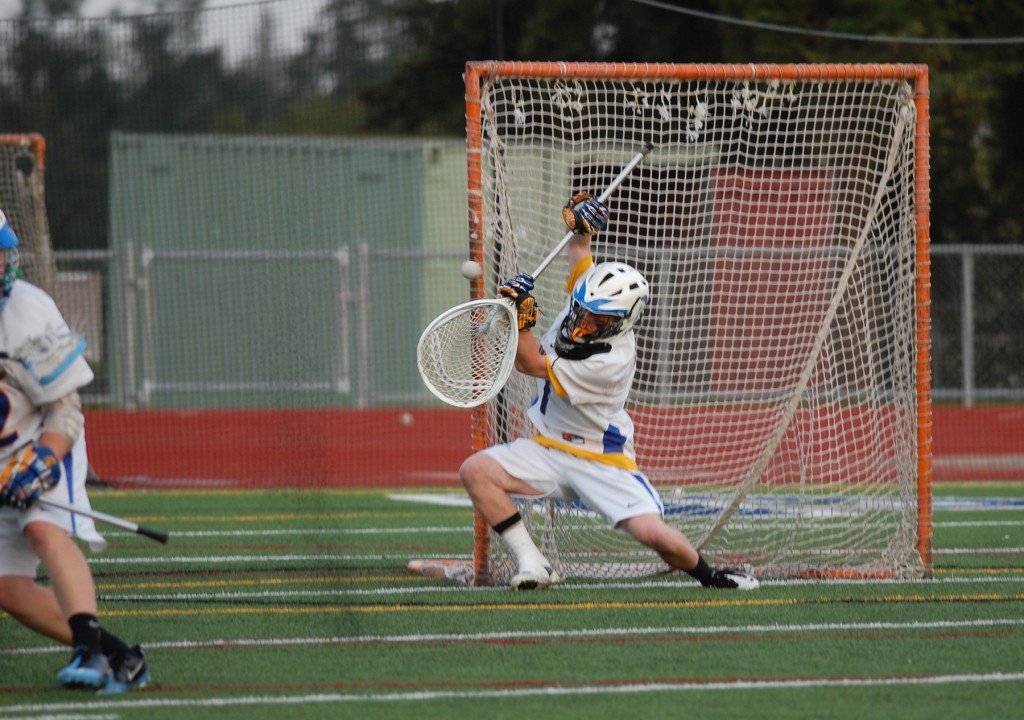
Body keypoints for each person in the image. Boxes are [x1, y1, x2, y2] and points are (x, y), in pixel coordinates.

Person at [459, 192, 759, 591]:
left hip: (601, 460)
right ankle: (533, 562)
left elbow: (529, 363)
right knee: (476, 471)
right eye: (583, 310)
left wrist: (521, 318)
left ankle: (713, 577)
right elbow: (581, 252)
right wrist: (581, 225)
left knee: (657, 537)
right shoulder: (587, 298)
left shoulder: (611, 362)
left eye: (598, 319)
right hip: (549, 448)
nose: (584, 321)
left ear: (622, 321)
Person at [0, 209, 150, 693]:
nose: (3, 263)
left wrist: (42, 462)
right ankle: (117, 653)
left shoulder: (27, 309)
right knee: (7, 587)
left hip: (45, 439)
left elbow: (65, 410)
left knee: (43, 527)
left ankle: (87, 652)